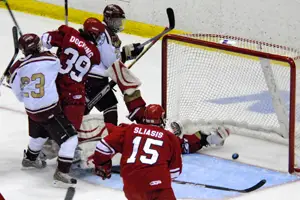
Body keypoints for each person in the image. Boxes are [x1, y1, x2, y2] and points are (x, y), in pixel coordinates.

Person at [9, 33, 78, 187]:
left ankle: (30, 159)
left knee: (39, 135)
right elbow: (60, 70)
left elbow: (19, 95)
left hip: (31, 111)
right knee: (71, 139)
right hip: (50, 110)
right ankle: (62, 172)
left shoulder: (15, 69)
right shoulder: (51, 60)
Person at [93, 104, 182, 200]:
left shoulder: (129, 129)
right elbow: (175, 172)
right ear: (161, 119)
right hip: (157, 187)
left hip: (131, 188)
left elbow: (102, 146)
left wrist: (103, 165)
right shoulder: (170, 137)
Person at [85, 4, 144, 126]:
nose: (119, 24)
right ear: (108, 19)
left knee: (85, 106)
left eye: (120, 21)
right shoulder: (107, 34)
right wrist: (127, 53)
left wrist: (126, 53)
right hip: (95, 79)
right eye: (117, 21)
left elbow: (104, 56)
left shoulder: (101, 31)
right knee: (109, 106)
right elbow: (111, 63)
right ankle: (110, 136)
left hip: (86, 75)